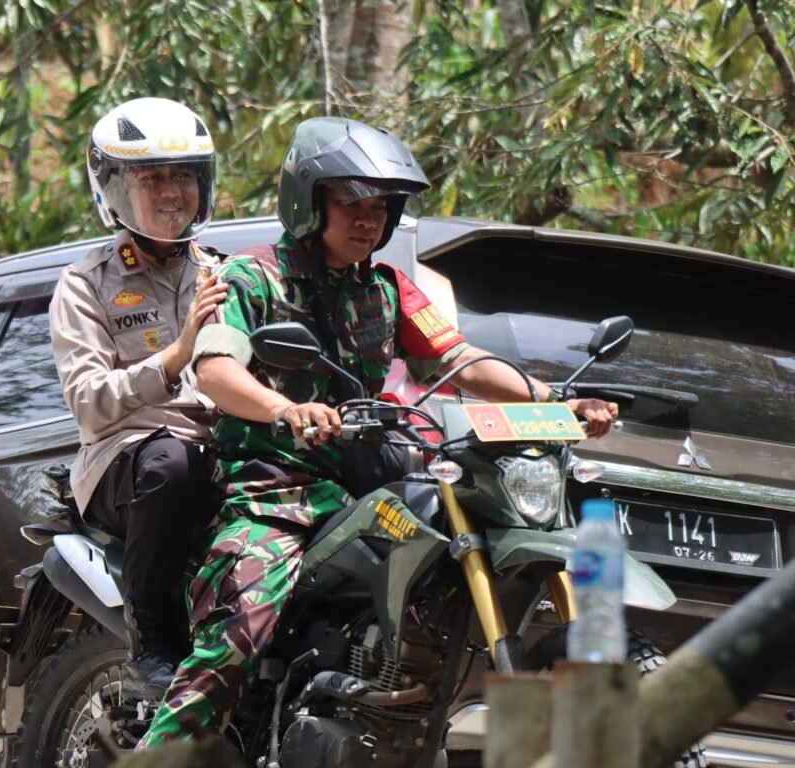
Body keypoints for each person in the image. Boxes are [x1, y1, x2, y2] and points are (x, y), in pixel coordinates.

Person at [138, 116, 620, 747]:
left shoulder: (391, 290)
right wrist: (285, 410)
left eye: (380, 208)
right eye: (350, 204)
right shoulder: (249, 279)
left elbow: (461, 361)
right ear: (308, 203)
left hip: (368, 486)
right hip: (276, 493)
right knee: (241, 626)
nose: (367, 221)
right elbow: (218, 370)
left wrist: (555, 399)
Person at [49, 97, 229, 697]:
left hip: (217, 452)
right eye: (151, 177)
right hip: (127, 462)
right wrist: (174, 357)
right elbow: (89, 403)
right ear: (115, 189)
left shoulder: (224, 272)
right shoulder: (86, 283)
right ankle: (153, 636)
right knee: (170, 461)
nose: (171, 191)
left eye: (183, 175)